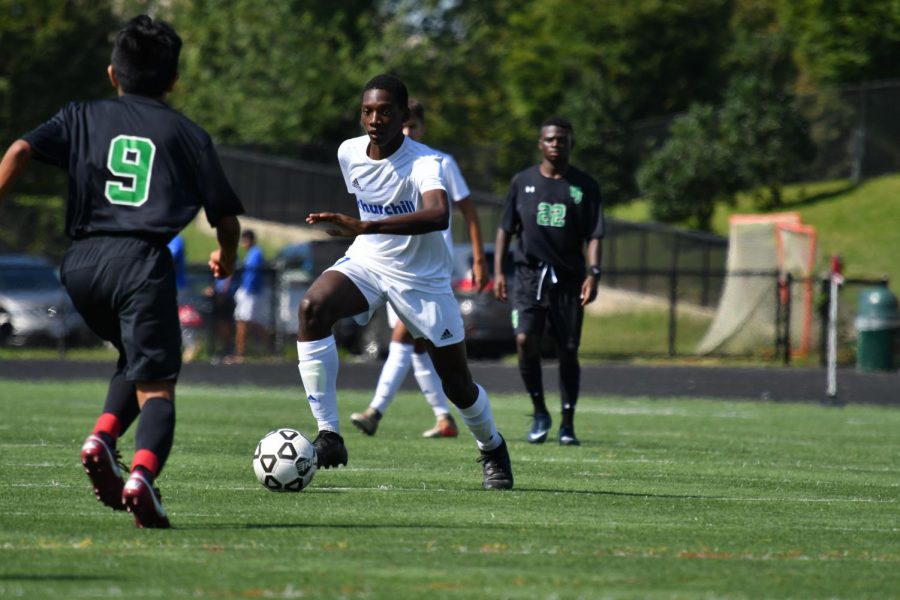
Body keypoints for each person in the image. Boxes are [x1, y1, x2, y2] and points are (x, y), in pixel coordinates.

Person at [0, 15, 243, 527]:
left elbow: (21, 149)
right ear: (174, 80)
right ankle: (142, 477)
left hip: (82, 265)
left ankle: (103, 437)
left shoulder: (80, 115)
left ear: (114, 73)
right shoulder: (188, 135)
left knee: (135, 361)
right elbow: (224, 216)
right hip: (140, 263)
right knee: (159, 386)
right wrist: (227, 254)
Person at [297, 74, 512, 490]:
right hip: (368, 261)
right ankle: (330, 435)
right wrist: (362, 231)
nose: (374, 119)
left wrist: (365, 223)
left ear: (403, 115)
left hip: (423, 281)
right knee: (312, 308)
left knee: (458, 385)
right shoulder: (348, 153)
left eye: (385, 111)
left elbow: (438, 215)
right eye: (367, 111)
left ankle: (492, 448)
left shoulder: (427, 163)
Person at [349, 99, 489, 439]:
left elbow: (467, 211)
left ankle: (376, 410)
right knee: (416, 344)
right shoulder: (378, 160)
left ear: (420, 128)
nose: (408, 132)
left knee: (409, 339)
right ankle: (442, 416)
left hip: (431, 269)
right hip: (393, 265)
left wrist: (479, 258)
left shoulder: (437, 161)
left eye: (413, 127)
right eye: (405, 127)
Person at [493, 116, 604, 447]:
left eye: (563, 139)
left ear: (571, 144)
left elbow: (594, 235)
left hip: (568, 280)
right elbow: (505, 229)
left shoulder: (585, 186)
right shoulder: (522, 181)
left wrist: (593, 273)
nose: (557, 144)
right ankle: (539, 411)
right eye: (551, 139)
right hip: (528, 276)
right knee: (525, 340)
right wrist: (499, 270)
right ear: (541, 143)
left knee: (568, 350)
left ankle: (567, 422)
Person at [227, 229, 270, 364]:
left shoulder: (256, 253)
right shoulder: (250, 254)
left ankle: (240, 353)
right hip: (246, 292)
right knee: (247, 321)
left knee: (243, 321)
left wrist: (246, 292)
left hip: (250, 293)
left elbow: (252, 275)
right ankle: (271, 347)